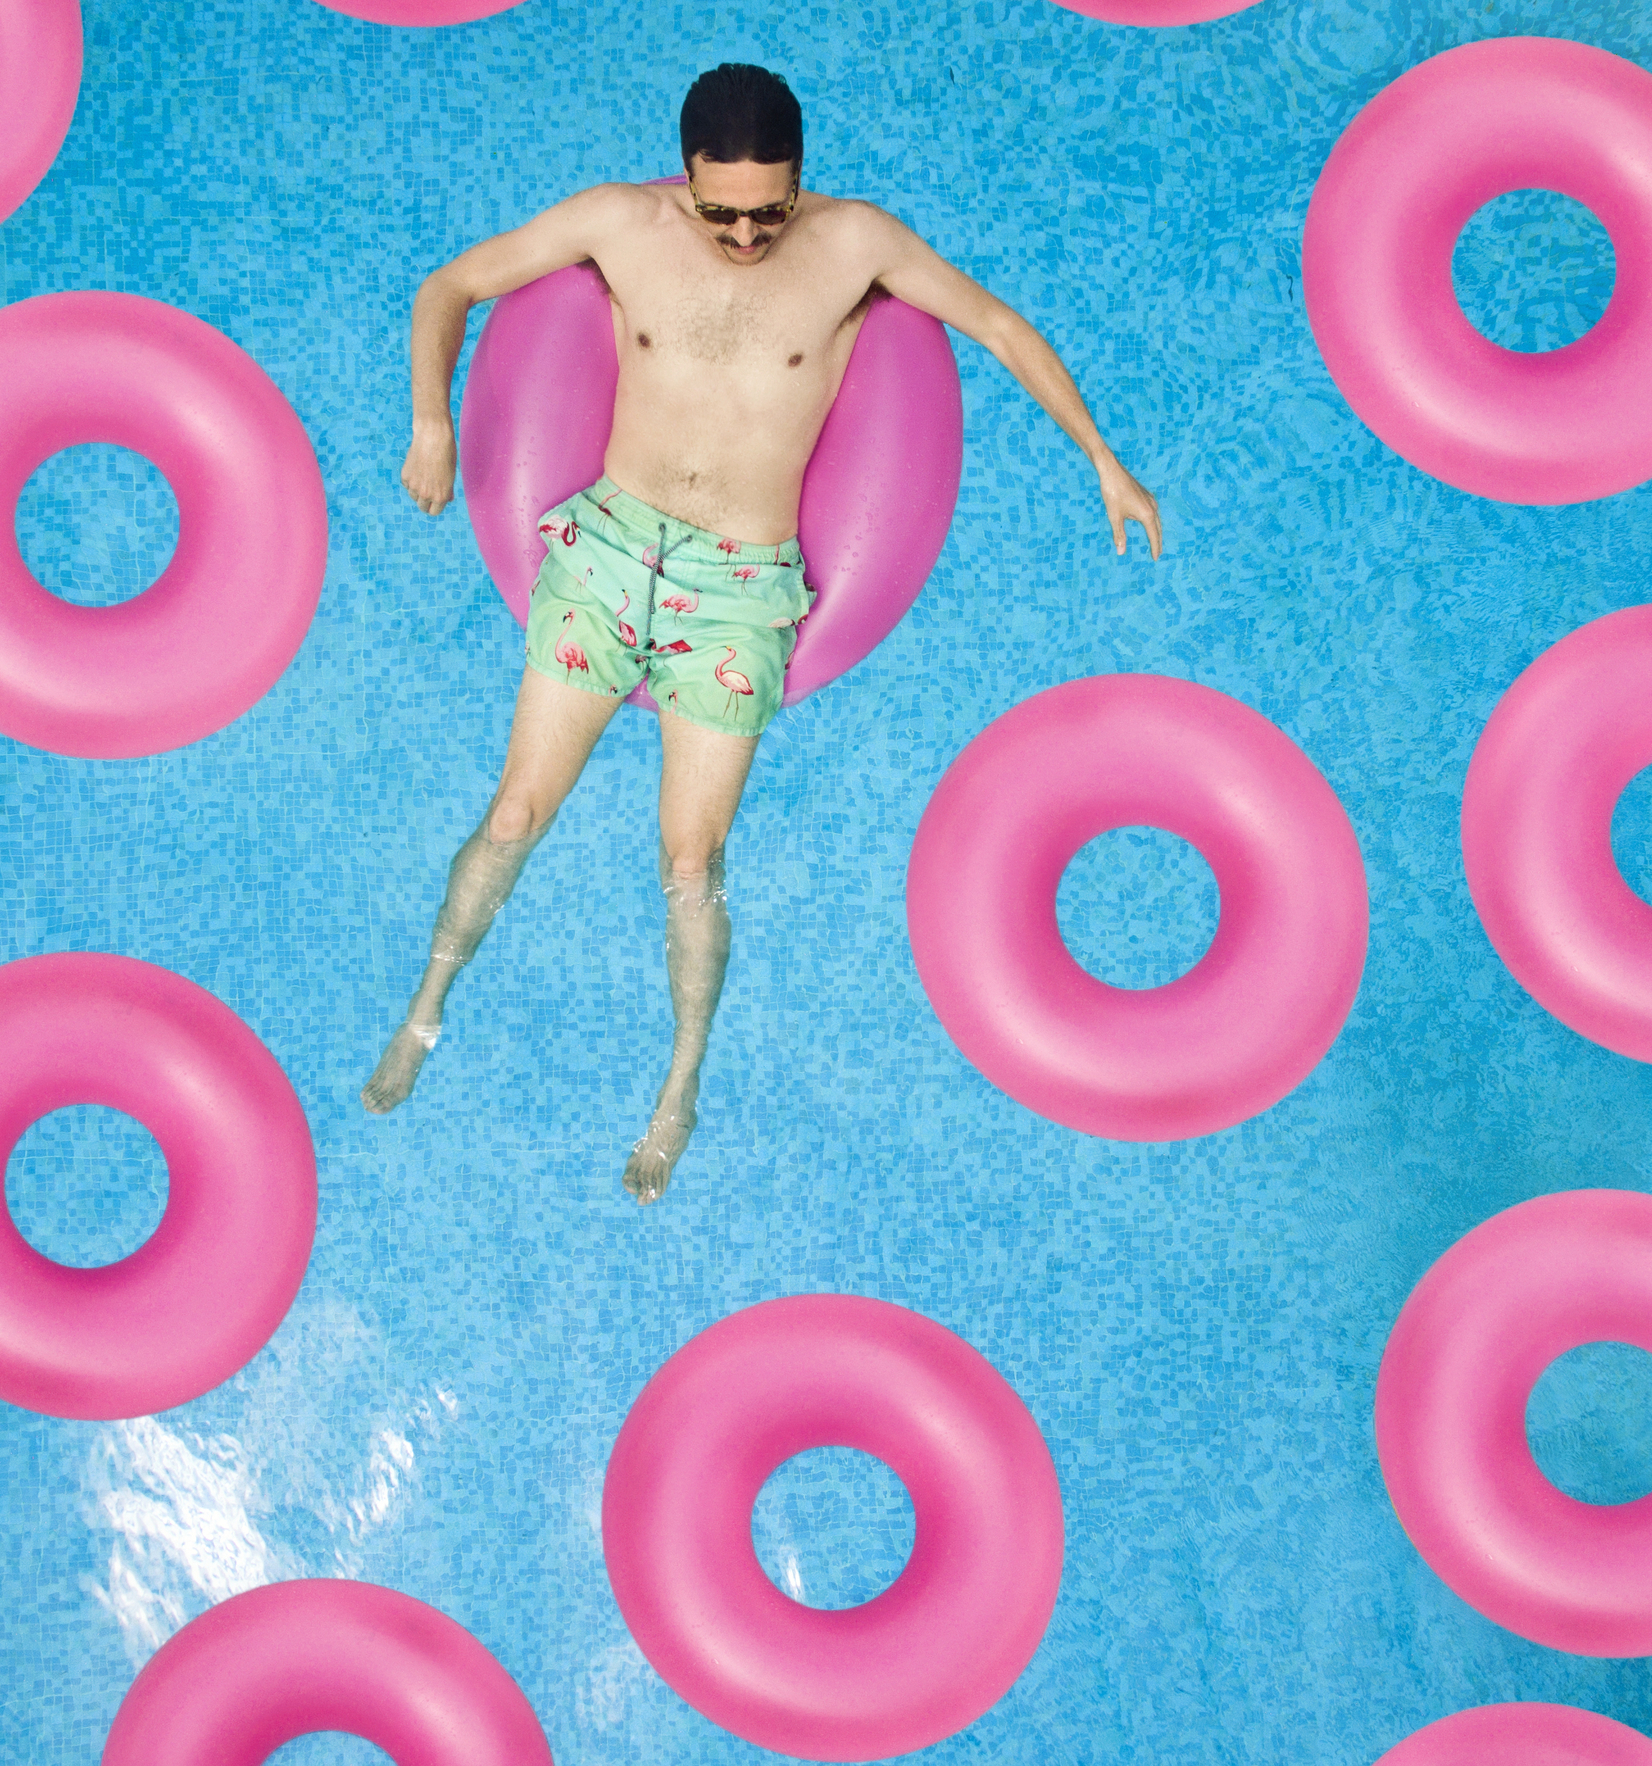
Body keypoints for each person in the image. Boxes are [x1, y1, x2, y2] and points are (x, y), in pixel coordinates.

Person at [362, 62, 1162, 1203]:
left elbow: (993, 323)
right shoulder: (620, 223)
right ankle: (426, 1006)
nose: (745, 236)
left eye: (769, 211)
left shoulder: (856, 245)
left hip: (739, 585)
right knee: (514, 811)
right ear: (684, 175)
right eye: (721, 210)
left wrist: (1101, 459)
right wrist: (431, 421)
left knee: (691, 861)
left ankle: (677, 1084)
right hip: (604, 547)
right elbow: (451, 285)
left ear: (803, 181)